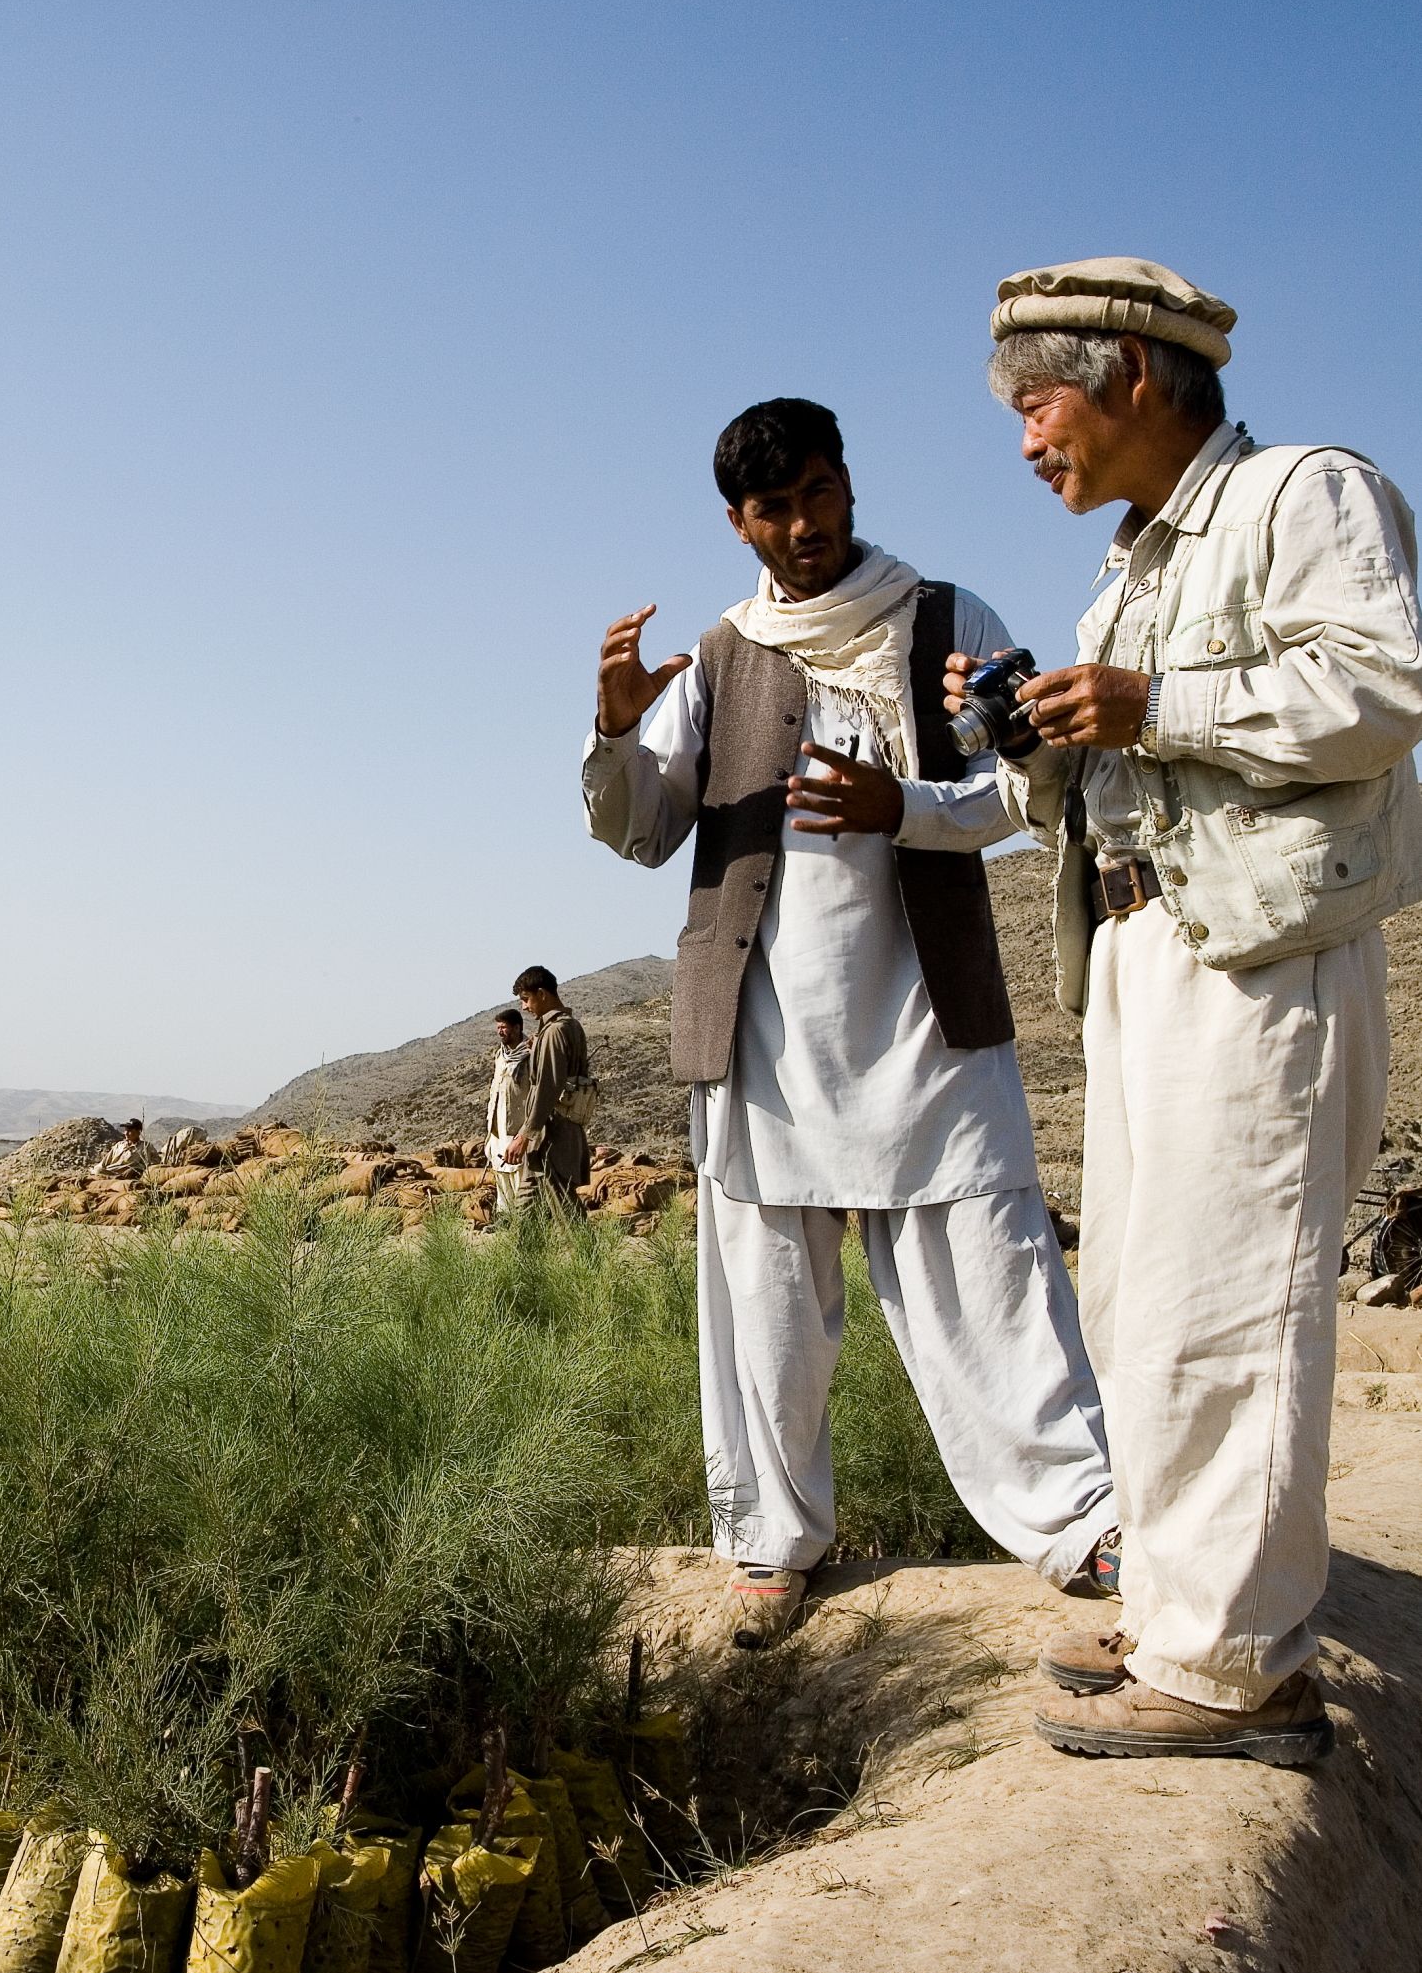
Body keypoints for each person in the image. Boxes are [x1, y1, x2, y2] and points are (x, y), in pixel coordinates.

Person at [959, 256, 1422, 1763]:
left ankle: (1236, 1672)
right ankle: (1168, 1604)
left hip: (1261, 960)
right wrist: (1035, 731)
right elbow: (1122, 776)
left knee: (1229, 1297)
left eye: (1035, 406)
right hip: (1142, 951)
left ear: (1130, 378)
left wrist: (1151, 705)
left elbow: (1376, 687)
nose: (1027, 443)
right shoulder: (1131, 567)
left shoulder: (1304, 493)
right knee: (1141, 1299)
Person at [583, 396, 1117, 1648]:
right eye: (771, 509)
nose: (801, 526)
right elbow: (641, 830)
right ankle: (769, 1542)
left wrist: (904, 807)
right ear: (737, 523)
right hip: (764, 1026)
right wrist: (614, 725)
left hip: (925, 1016)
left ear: (846, 485)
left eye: (816, 494)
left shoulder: (946, 617)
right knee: (766, 1294)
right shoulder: (718, 654)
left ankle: (1076, 1519)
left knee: (988, 1270)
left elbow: (1026, 787)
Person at [503, 967, 592, 1212]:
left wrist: (524, 1136)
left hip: (552, 1137)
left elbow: (547, 1088)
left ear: (542, 994)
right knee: (524, 1215)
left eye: (526, 999)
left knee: (567, 1217)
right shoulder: (568, 1027)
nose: (524, 1007)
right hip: (550, 1135)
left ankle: (587, 1252)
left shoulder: (555, 1031)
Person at [485, 1007, 532, 1217]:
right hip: (498, 1125)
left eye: (504, 1027)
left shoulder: (530, 1056)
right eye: (498, 1027)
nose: (500, 1031)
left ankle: (522, 1218)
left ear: (517, 1027)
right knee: (500, 1169)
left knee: (519, 1172)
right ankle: (505, 1216)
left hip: (518, 1126)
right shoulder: (500, 1056)